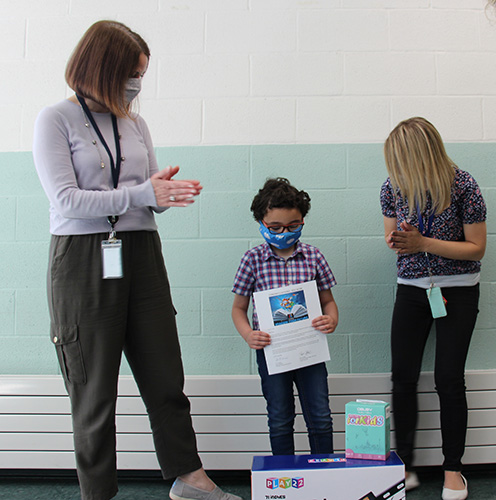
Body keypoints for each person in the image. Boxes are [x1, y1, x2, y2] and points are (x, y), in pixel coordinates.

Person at [33, 20, 242, 500]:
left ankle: (190, 478)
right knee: (94, 393)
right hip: (84, 260)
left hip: (142, 252)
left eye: (142, 74)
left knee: (165, 375)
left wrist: (162, 195)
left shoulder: (135, 122)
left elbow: (143, 198)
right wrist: (142, 192)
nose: (137, 84)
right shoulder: (55, 119)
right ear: (102, 67)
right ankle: (98, 493)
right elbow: (66, 201)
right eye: (131, 73)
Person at [380, 117, 487, 500]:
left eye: (401, 160)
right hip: (412, 288)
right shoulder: (393, 187)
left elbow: (476, 248)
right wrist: (399, 241)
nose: (395, 171)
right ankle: (404, 464)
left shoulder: (464, 186)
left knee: (448, 379)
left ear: (420, 155)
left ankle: (453, 468)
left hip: (457, 290)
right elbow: (392, 235)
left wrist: (424, 243)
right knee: (402, 377)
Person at [231, 178, 338, 456]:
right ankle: (285, 479)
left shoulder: (314, 256)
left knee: (321, 417)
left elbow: (328, 301)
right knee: (279, 418)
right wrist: (247, 334)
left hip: (309, 352)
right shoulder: (252, 260)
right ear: (261, 222)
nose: (284, 232)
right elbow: (238, 309)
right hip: (272, 352)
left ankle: (324, 473)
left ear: (303, 220)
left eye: (293, 226)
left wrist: (332, 319)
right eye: (275, 227)